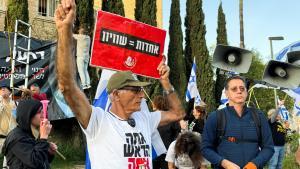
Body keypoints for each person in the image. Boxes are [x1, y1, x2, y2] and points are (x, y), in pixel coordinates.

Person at [54, 0, 185, 168]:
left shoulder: (144, 118)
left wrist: (166, 83)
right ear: (115, 94)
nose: (141, 95)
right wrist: (65, 30)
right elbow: (67, 85)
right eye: (135, 90)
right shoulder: (98, 121)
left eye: (140, 90)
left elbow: (178, 113)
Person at [201, 76, 274, 169]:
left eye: (242, 88)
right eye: (234, 89)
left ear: (246, 92)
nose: (239, 91)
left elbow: (269, 147)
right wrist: (224, 163)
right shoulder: (215, 117)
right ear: (226, 93)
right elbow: (205, 148)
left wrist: (255, 164)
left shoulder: (259, 116)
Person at [1, 99, 57, 169]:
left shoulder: (31, 133)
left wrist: (49, 153)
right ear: (28, 115)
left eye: (44, 111)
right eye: (39, 111)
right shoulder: (17, 138)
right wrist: (43, 138)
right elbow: (35, 162)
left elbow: (42, 161)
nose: (44, 115)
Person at [152, 95, 180, 169]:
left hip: (164, 153)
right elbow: (177, 134)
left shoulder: (151, 117)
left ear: (156, 104)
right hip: (164, 152)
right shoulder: (171, 117)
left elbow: (176, 134)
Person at [267, 101, 289, 169]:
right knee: (273, 164)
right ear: (273, 115)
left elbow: (283, 133)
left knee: (279, 164)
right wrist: (279, 106)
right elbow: (273, 116)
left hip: (282, 146)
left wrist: (286, 128)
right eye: (278, 114)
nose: (279, 115)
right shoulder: (271, 122)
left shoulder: (279, 124)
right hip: (274, 147)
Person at [0, 84, 17, 168]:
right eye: (1, 89)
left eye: (4, 88)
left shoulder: (16, 104)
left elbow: (18, 119)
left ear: (10, 91)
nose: (2, 89)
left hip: (11, 137)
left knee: (7, 164)